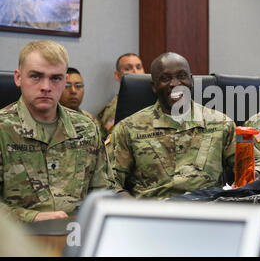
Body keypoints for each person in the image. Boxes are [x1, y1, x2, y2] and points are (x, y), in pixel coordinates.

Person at [0, 40, 113, 222]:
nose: (46, 86)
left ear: (65, 81)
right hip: (19, 239)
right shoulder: (3, 129)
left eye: (55, 78)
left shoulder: (86, 128)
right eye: (36, 76)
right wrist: (32, 217)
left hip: (76, 234)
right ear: (18, 78)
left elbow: (103, 191)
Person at [108, 52, 236, 199]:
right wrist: (136, 212)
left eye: (181, 76)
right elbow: (109, 182)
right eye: (165, 78)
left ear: (191, 80)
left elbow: (248, 169)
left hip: (207, 212)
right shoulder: (128, 129)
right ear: (154, 86)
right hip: (153, 215)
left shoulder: (221, 123)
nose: (175, 84)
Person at [97, 53, 145, 139]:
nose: (135, 72)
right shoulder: (115, 108)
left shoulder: (156, 100)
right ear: (117, 75)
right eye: (128, 68)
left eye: (138, 67)